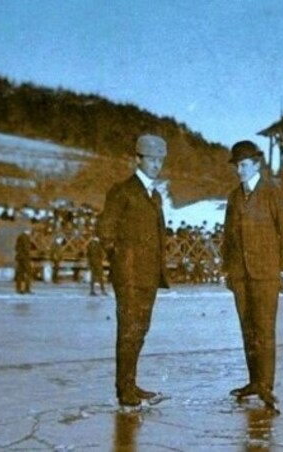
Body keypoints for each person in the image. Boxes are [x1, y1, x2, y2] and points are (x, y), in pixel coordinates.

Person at [221, 140, 283, 413]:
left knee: (264, 331)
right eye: (237, 166)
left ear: (256, 164)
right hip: (240, 276)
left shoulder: (271, 193)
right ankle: (254, 382)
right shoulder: (234, 196)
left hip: (266, 275)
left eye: (243, 165)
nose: (239, 170)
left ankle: (266, 385)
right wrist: (227, 269)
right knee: (248, 330)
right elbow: (228, 237)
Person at [98, 134, 170, 407]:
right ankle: (123, 388)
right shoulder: (122, 191)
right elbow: (105, 230)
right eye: (151, 159)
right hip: (129, 276)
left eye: (159, 160)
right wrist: (122, 261)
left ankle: (130, 383)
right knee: (128, 330)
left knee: (140, 331)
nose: (156, 165)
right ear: (137, 160)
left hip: (148, 276)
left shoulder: (154, 196)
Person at [15, 229, 33, 294]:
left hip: (19, 257)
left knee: (20, 274)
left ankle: (19, 289)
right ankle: (27, 289)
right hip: (25, 258)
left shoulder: (20, 236)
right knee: (28, 272)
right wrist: (28, 253)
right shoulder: (25, 237)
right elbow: (26, 248)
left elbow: (16, 247)